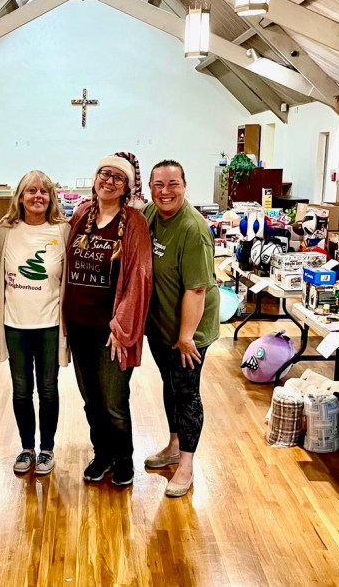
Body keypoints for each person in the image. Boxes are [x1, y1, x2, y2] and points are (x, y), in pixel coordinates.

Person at [63, 154, 153, 486]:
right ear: (95, 176)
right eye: (105, 174)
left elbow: (139, 277)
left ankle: (123, 458)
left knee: (114, 401)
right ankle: (102, 453)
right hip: (79, 326)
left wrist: (121, 327)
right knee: (91, 400)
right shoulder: (82, 213)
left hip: (111, 330)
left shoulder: (134, 223)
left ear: (127, 187)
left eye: (118, 177)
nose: (109, 181)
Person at [143, 160, 220, 497]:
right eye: (158, 184)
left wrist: (186, 336)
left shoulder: (192, 229)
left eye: (173, 184)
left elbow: (197, 289)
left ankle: (186, 464)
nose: (165, 191)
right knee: (169, 384)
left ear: (185, 186)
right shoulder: (150, 215)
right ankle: (174, 445)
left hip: (190, 330)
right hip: (162, 325)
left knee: (187, 392)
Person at [0, 171, 70, 475]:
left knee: (48, 388)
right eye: (31, 191)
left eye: (44, 191)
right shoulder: (5, 232)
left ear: (51, 197)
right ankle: (26, 447)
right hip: (15, 324)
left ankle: (47, 449)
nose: (38, 196)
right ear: (20, 197)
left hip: (51, 324)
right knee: (21, 389)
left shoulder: (63, 230)